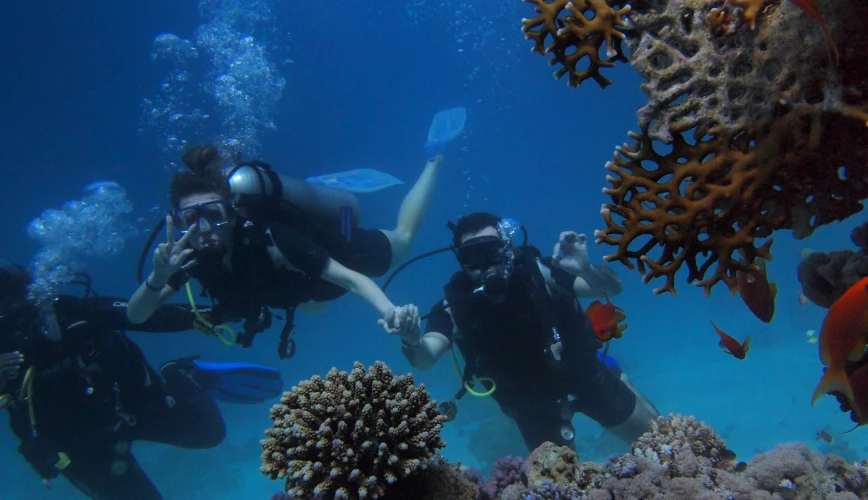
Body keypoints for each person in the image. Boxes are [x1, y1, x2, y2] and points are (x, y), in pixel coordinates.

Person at [127, 144, 438, 357]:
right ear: (177, 222)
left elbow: (351, 279)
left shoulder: (273, 238)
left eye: (213, 214)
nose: (204, 228)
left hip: (340, 255)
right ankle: (319, 192)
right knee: (313, 306)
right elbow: (136, 315)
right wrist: (158, 277)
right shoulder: (186, 259)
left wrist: (389, 311)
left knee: (404, 239)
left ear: (232, 214)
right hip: (303, 288)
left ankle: (433, 158)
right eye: (191, 219)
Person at [395, 212, 660, 451]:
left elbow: (612, 289)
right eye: (471, 256)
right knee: (557, 484)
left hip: (586, 376)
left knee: (659, 444)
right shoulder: (454, 306)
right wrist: (412, 340)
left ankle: (615, 373)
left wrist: (587, 270)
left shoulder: (541, 272)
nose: (484, 264)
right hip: (530, 404)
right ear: (460, 260)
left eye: (492, 251)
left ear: (508, 248)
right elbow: (425, 358)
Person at [0, 263, 251, 500]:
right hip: (80, 446)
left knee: (209, 433)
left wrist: (211, 315)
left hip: (134, 407)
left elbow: (139, 315)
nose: (13, 316)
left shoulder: (71, 312)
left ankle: (177, 373)